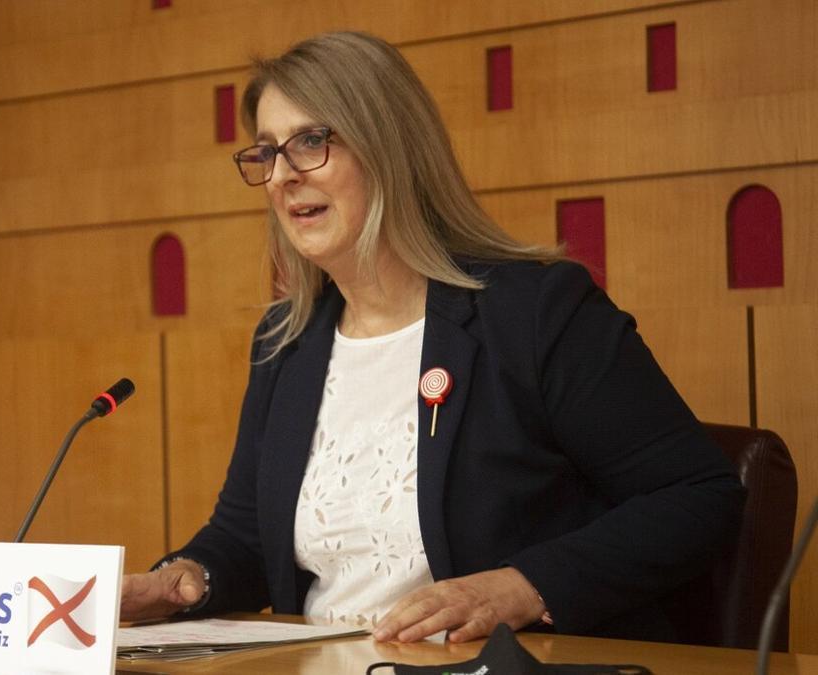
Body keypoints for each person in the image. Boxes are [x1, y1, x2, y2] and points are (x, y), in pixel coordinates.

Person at [120, 31, 744, 644]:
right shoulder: (287, 340)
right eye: (267, 153)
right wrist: (183, 580)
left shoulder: (534, 313)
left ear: (390, 146)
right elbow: (249, 536)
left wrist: (522, 587)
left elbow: (698, 498)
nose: (282, 176)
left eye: (311, 141)